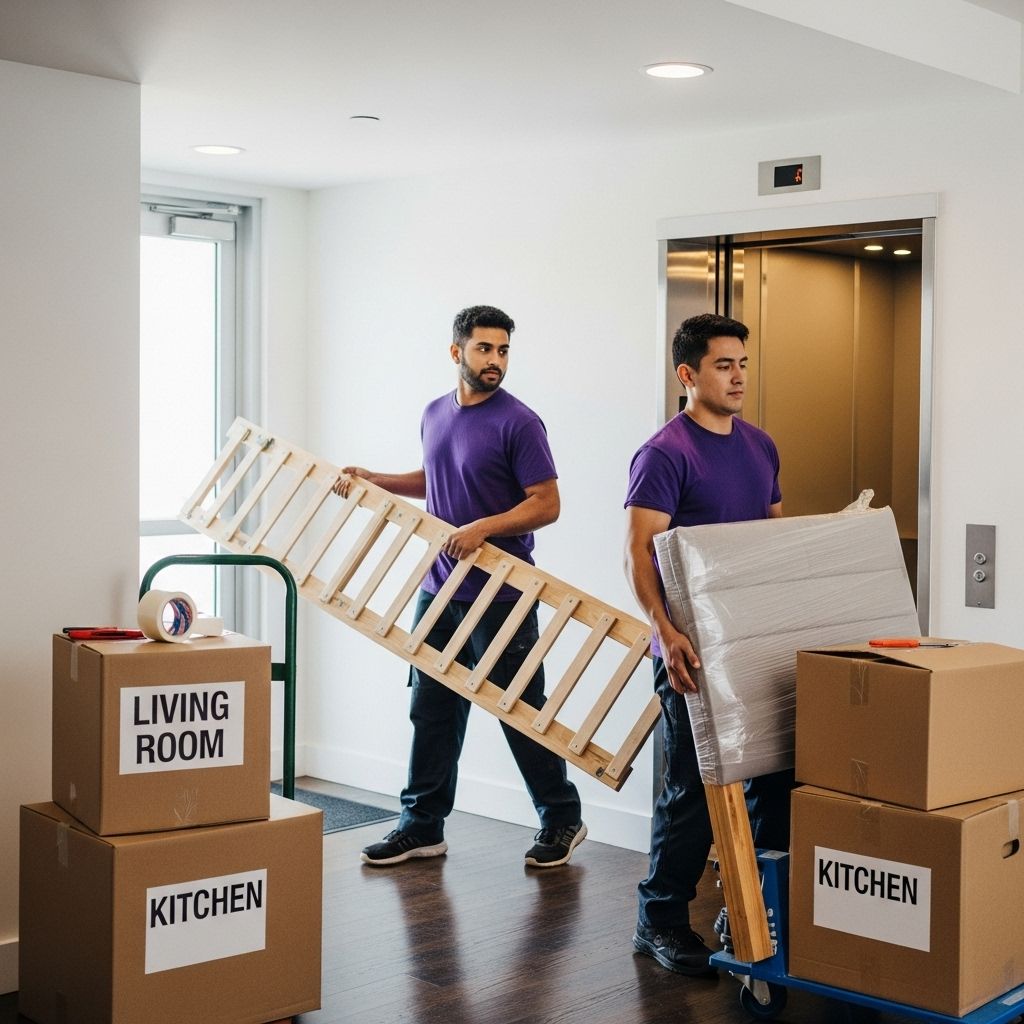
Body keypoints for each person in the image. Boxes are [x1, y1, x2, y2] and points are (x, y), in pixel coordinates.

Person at [335, 304, 586, 869]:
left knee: (519, 713)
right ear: (457, 353)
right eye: (484, 349)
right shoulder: (434, 413)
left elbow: (547, 503)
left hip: (502, 594)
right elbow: (437, 476)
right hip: (440, 590)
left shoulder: (519, 422)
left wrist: (484, 530)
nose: (495, 361)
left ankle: (562, 819)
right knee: (432, 710)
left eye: (502, 351)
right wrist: (379, 480)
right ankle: (422, 827)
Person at [623, 312, 794, 976]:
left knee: (772, 781)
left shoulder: (760, 446)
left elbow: (774, 539)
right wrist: (664, 632)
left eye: (743, 364)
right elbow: (639, 552)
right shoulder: (666, 452)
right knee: (690, 790)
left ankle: (753, 903)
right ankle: (659, 920)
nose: (738, 376)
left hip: (754, 643)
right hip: (690, 653)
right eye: (724, 365)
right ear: (688, 374)